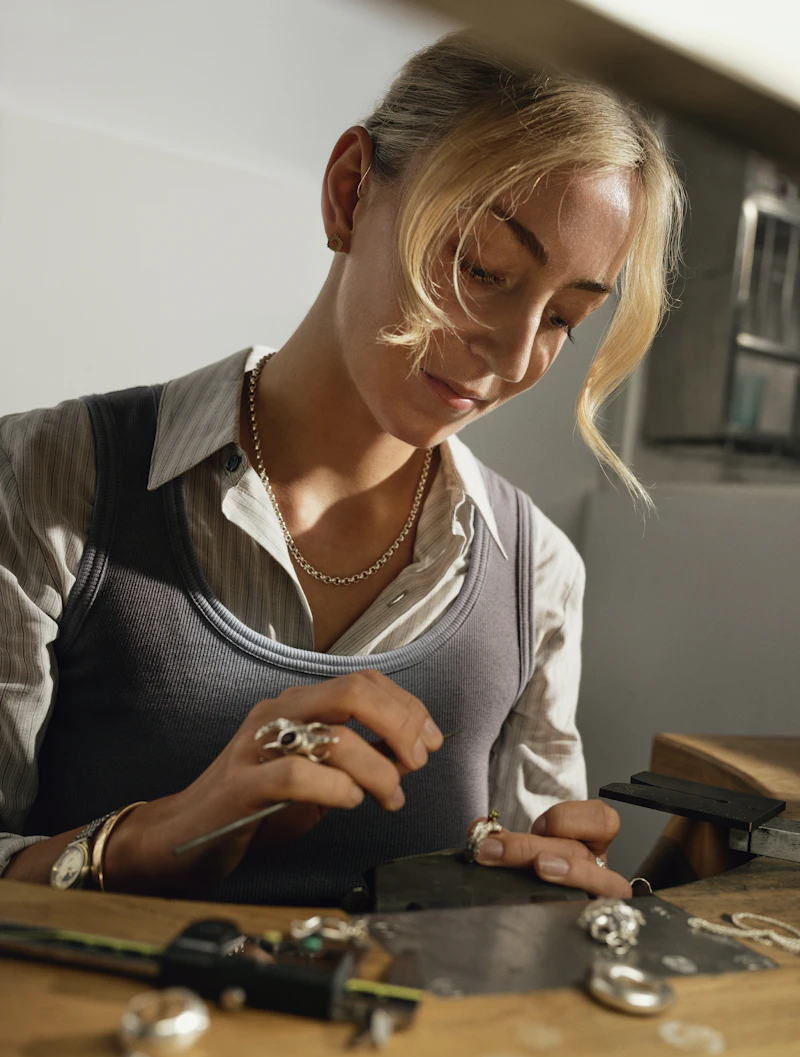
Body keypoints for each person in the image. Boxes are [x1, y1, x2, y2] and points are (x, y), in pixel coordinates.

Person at [0, 30, 683, 906]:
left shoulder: (539, 576)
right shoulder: (46, 482)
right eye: (483, 267)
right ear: (350, 192)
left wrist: (545, 900)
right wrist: (155, 835)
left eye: (565, 318)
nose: (514, 359)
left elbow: (516, 927)